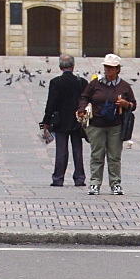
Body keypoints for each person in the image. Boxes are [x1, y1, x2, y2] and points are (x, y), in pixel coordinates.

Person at [77, 54, 136, 197]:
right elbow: (84, 97)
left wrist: (126, 104)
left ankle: (115, 184)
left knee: (114, 156)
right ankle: (95, 184)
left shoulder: (124, 86)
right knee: (97, 155)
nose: (107, 70)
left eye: (110, 67)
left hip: (115, 125)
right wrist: (81, 109)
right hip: (97, 124)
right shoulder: (96, 84)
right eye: (106, 67)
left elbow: (133, 105)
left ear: (117, 69)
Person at [42, 54, 88, 188]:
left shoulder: (56, 82)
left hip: (60, 121)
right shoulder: (81, 82)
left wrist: (46, 120)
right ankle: (79, 178)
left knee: (61, 150)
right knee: (77, 150)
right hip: (77, 120)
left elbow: (51, 103)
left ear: (60, 66)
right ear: (73, 66)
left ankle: (58, 178)